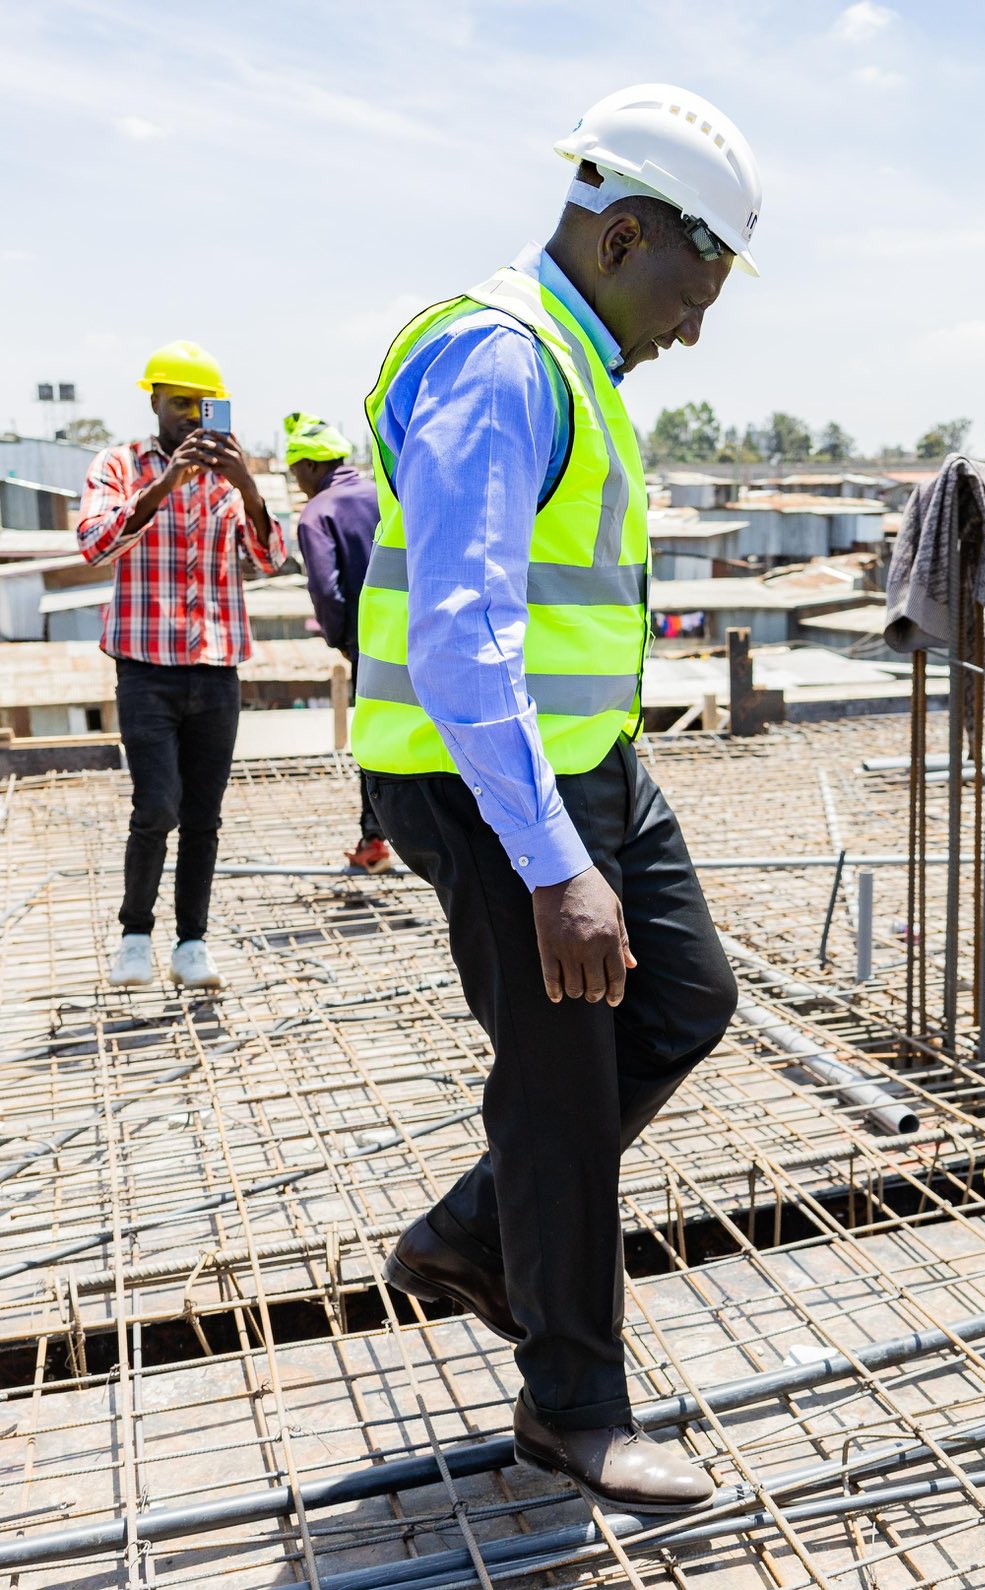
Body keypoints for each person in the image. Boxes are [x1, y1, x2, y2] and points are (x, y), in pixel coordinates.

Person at [356, 83, 758, 1512]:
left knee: (684, 1000)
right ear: (626, 233)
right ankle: (571, 1409)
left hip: (590, 764)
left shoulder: (572, 357)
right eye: (695, 285)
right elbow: (462, 631)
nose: (696, 323)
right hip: (488, 778)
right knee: (563, 1086)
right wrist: (549, 864)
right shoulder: (507, 358)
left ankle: (474, 1235)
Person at [78, 341, 291, 991]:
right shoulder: (120, 464)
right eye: (178, 405)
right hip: (147, 668)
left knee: (204, 816)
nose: (191, 419)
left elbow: (270, 557)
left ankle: (191, 943)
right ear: (154, 404)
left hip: (216, 666)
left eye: (202, 407)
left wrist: (248, 485)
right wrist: (166, 485)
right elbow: (93, 544)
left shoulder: (233, 478)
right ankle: (136, 936)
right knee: (156, 808)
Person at [284, 411, 390, 872]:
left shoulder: (317, 514)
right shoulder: (382, 493)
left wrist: (341, 638)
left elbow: (326, 590)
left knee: (375, 740)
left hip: (372, 643)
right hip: (423, 633)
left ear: (309, 466)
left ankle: (375, 842)